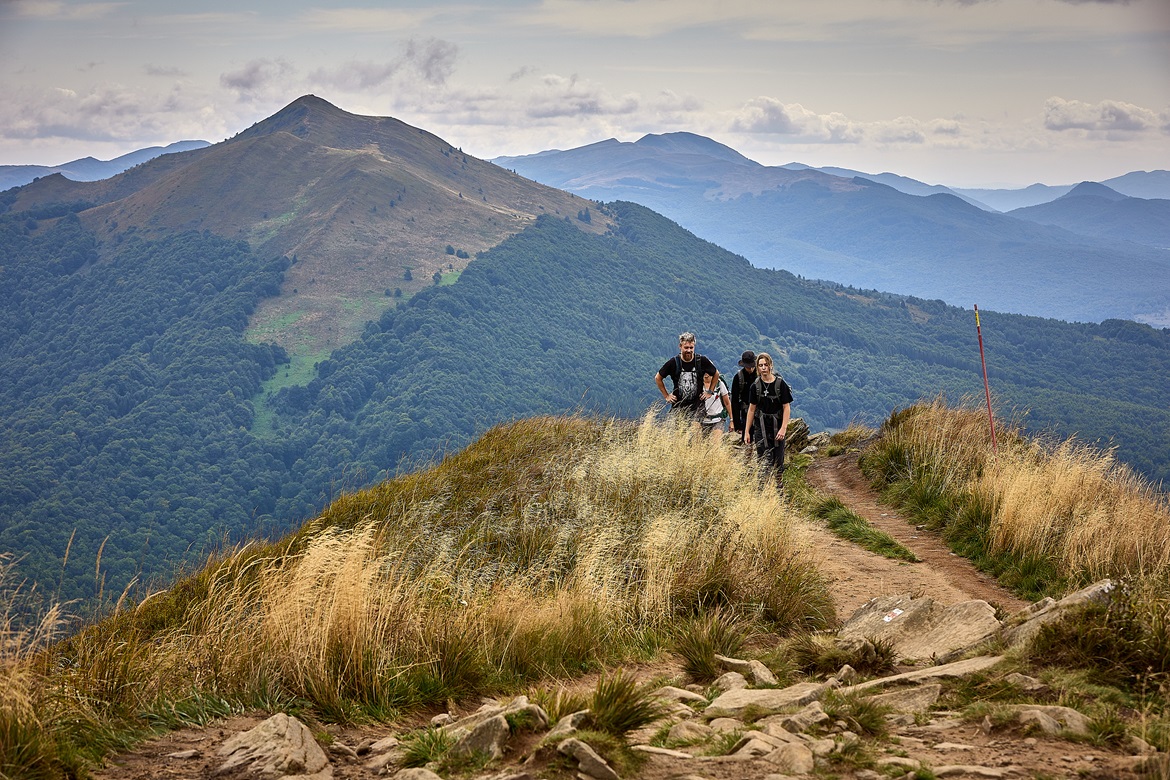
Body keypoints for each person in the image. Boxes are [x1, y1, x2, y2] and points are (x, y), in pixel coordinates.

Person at [744, 352, 793, 484]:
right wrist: (747, 431)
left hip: (777, 426)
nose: (763, 368)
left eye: (766, 365)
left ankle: (778, 488)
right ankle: (763, 489)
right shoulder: (755, 386)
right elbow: (751, 409)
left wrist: (783, 428)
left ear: (771, 365)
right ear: (757, 367)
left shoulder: (780, 385)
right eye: (760, 365)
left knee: (778, 460)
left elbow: (786, 407)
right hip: (761, 427)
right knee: (764, 459)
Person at [655, 331, 718, 420]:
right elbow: (658, 378)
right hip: (678, 407)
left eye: (691, 347)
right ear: (680, 347)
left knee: (695, 431)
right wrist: (666, 396)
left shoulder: (701, 361)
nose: (689, 350)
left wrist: (710, 391)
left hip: (697, 406)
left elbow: (716, 374)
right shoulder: (673, 362)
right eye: (686, 347)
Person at [729, 350, 756, 444]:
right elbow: (734, 401)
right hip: (746, 411)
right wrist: (737, 424)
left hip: (760, 411)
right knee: (747, 440)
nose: (750, 369)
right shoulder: (738, 377)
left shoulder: (760, 375)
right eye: (748, 367)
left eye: (752, 366)